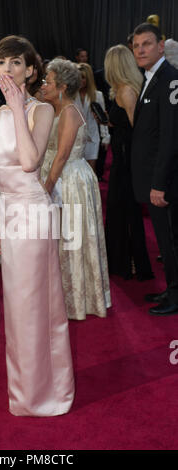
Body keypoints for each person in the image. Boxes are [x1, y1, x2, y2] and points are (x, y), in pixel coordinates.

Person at [0, 35, 74, 416]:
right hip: (9, 212)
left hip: (34, 216)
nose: (8, 69)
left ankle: (46, 395)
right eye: (2, 62)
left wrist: (18, 106)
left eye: (16, 63)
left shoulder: (42, 111)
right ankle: (24, 392)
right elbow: (0, 173)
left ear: (32, 70)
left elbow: (27, 163)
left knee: (36, 306)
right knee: (16, 309)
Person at [41, 58, 111, 321]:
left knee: (72, 240)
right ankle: (61, 297)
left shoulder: (69, 111)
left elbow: (61, 156)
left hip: (69, 180)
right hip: (59, 176)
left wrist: (46, 188)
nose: (42, 85)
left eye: (47, 81)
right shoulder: (54, 108)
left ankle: (77, 300)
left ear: (61, 86)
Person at [131, 22, 178, 316]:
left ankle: (176, 295)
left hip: (165, 182)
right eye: (136, 46)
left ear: (160, 46)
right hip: (153, 180)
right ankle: (171, 289)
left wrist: (159, 183)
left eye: (146, 44)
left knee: (171, 241)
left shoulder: (170, 79)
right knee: (165, 240)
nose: (140, 50)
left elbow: (171, 137)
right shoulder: (152, 77)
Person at [104, 44, 154, 281]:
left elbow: (139, 130)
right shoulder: (124, 89)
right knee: (120, 210)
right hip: (123, 159)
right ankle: (126, 261)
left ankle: (131, 263)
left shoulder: (125, 91)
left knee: (124, 210)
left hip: (125, 163)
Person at [75, 63, 110, 170]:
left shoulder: (97, 95)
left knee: (91, 170)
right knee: (77, 170)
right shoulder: (71, 95)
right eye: (78, 77)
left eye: (83, 77)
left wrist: (106, 136)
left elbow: (102, 117)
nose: (80, 80)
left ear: (89, 79)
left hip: (93, 137)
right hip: (75, 137)